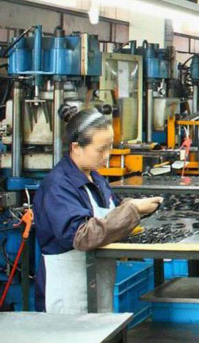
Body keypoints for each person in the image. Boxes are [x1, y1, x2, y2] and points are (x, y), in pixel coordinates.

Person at [34, 105, 162, 314]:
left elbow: (111, 210)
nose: (107, 155)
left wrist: (139, 207)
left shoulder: (95, 177)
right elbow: (82, 235)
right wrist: (132, 210)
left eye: (110, 147)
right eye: (101, 150)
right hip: (68, 295)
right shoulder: (58, 185)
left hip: (98, 286)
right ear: (76, 148)